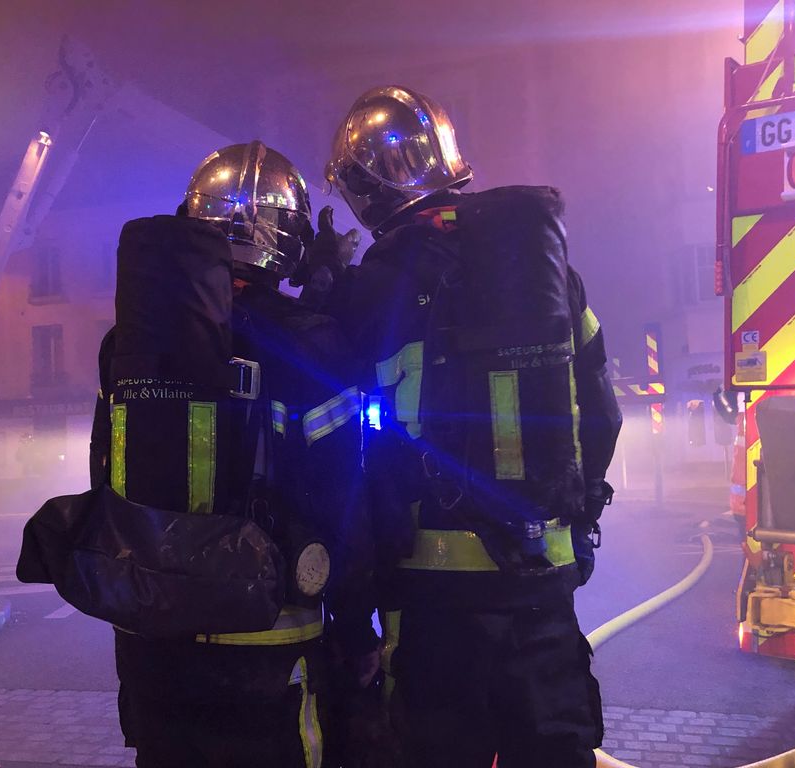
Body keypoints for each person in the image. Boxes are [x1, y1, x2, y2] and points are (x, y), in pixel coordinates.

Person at [304, 85, 623, 768]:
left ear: (363, 190)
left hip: (430, 607)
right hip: (543, 587)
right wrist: (572, 514)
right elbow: (601, 413)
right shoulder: (546, 273)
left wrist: (352, 604)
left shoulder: (374, 287)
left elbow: (340, 456)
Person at [88, 141, 376, 768]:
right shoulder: (315, 344)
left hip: (154, 648)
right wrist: (357, 635)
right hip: (269, 651)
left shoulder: (128, 347)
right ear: (292, 239)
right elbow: (341, 503)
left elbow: (106, 481)